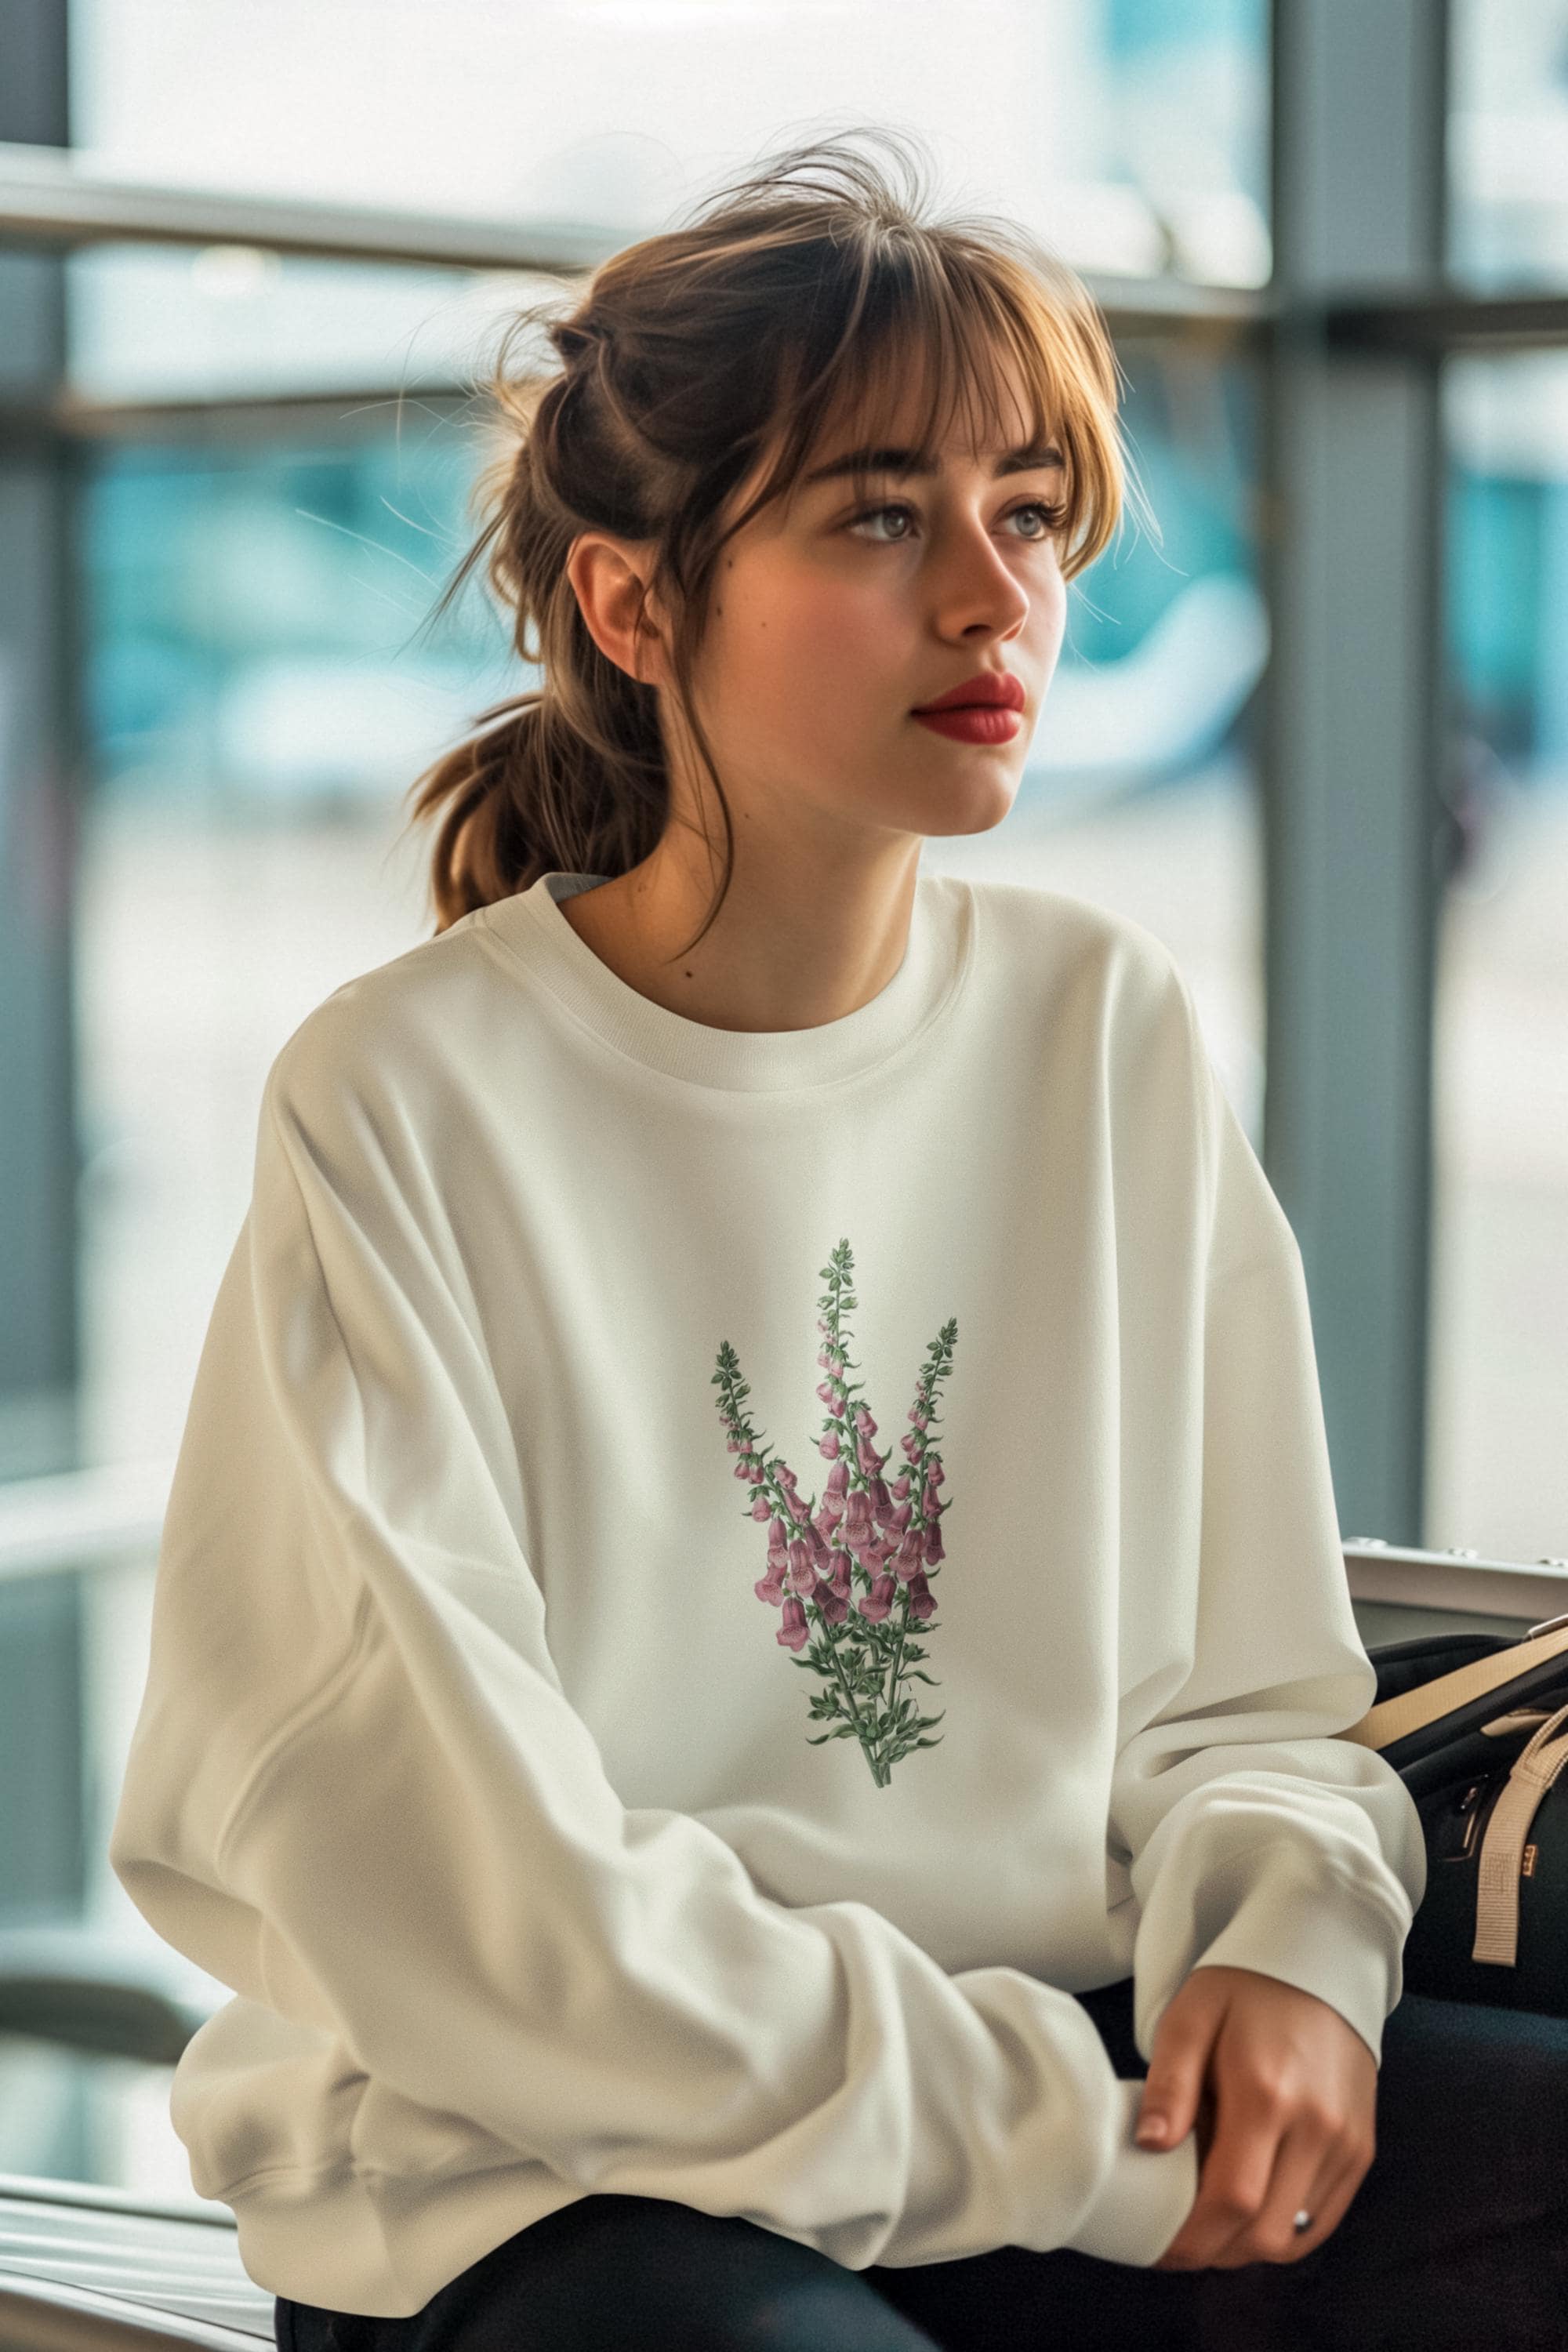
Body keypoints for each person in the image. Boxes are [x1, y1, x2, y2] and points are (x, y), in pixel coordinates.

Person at [108, 127, 1568, 2352]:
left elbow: (1256, 1689)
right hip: (552, 2178)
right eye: (881, 518)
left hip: (1059, 2082)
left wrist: (1283, 1943)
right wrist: (1067, 2156)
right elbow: (498, 1914)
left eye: (1031, 512)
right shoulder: (409, 1099)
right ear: (632, 600)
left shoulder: (1102, 1029)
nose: (996, 600)